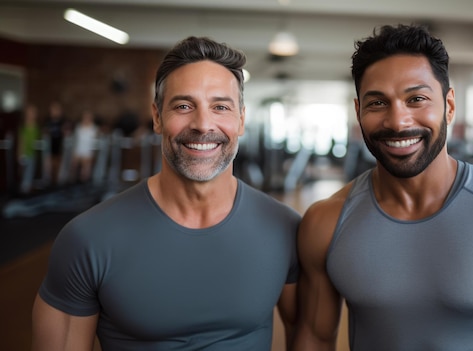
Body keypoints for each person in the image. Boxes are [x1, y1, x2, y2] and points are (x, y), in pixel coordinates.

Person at [293, 24, 473, 351]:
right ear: (358, 111)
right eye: (377, 103)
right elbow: (314, 339)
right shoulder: (326, 222)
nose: (398, 121)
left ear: (449, 105)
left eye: (417, 99)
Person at [32, 36, 301, 351]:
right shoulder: (88, 238)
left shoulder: (286, 229)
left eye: (220, 107)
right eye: (184, 106)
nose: (203, 124)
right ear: (157, 117)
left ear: (240, 119)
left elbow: (309, 337)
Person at [70, 109, 99, 183]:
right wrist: (74, 152)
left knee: (85, 171)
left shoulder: (94, 129)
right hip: (79, 150)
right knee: (74, 168)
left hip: (88, 151)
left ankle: (85, 184)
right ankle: (74, 183)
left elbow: (95, 143)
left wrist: (93, 154)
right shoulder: (79, 127)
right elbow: (76, 140)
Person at [17, 104, 40, 194]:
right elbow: (21, 141)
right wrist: (19, 154)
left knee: (30, 172)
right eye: (29, 113)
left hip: (33, 153)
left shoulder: (37, 127)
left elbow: (38, 139)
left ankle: (27, 188)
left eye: (33, 113)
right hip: (25, 153)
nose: (31, 115)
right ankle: (23, 189)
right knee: (24, 172)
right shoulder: (23, 127)